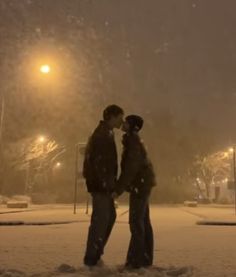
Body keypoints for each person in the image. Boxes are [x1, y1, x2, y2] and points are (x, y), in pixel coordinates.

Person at [83, 105, 124, 266]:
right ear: (112, 117)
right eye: (120, 117)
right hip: (101, 186)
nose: (122, 120)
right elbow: (100, 164)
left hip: (102, 185)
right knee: (101, 221)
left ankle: (95, 253)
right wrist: (107, 184)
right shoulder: (102, 135)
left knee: (108, 218)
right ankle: (92, 257)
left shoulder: (106, 133)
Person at [114, 115, 156, 269]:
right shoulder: (133, 140)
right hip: (142, 185)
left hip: (140, 186)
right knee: (143, 222)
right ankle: (144, 259)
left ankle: (135, 262)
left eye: (126, 122)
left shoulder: (132, 142)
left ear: (132, 126)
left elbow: (131, 169)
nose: (123, 123)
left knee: (136, 223)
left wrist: (118, 189)